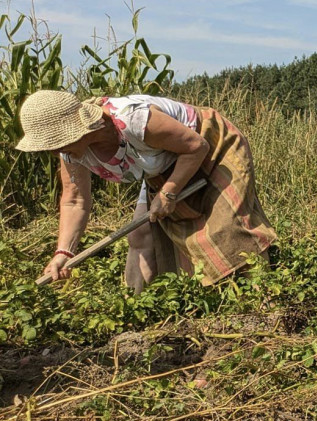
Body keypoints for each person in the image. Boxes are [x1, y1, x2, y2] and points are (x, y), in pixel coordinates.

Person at [17, 90, 276, 292]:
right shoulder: (70, 152)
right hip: (160, 165)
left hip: (210, 145)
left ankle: (262, 299)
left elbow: (196, 146)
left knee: (225, 225)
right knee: (140, 234)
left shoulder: (132, 120)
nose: (54, 151)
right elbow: (75, 201)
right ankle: (141, 306)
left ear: (80, 127)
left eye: (57, 142)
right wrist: (64, 252)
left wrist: (168, 194)